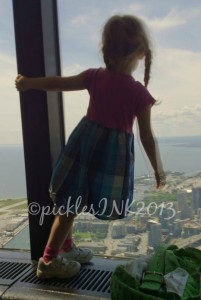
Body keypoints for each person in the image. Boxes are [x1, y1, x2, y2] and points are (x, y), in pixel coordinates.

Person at [15, 14, 166, 279]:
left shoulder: (95, 77)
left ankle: (67, 246)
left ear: (105, 50)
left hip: (83, 148)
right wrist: (158, 170)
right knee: (69, 209)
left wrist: (29, 84)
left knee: (70, 201)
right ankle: (48, 262)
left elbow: (57, 84)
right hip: (110, 159)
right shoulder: (139, 94)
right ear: (141, 52)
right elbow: (146, 137)